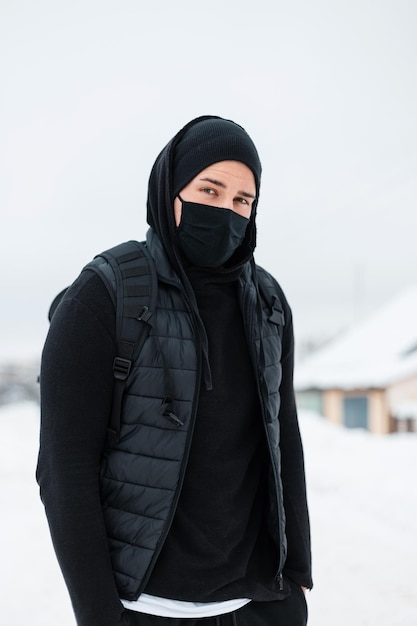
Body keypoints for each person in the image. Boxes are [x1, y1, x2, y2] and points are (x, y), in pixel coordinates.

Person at [36, 115, 312, 626]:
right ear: (170, 193)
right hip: (144, 607)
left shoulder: (268, 302)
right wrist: (99, 615)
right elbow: (63, 469)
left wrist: (296, 577)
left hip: (257, 605)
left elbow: (284, 441)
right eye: (209, 189)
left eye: (242, 201)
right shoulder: (105, 295)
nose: (226, 211)